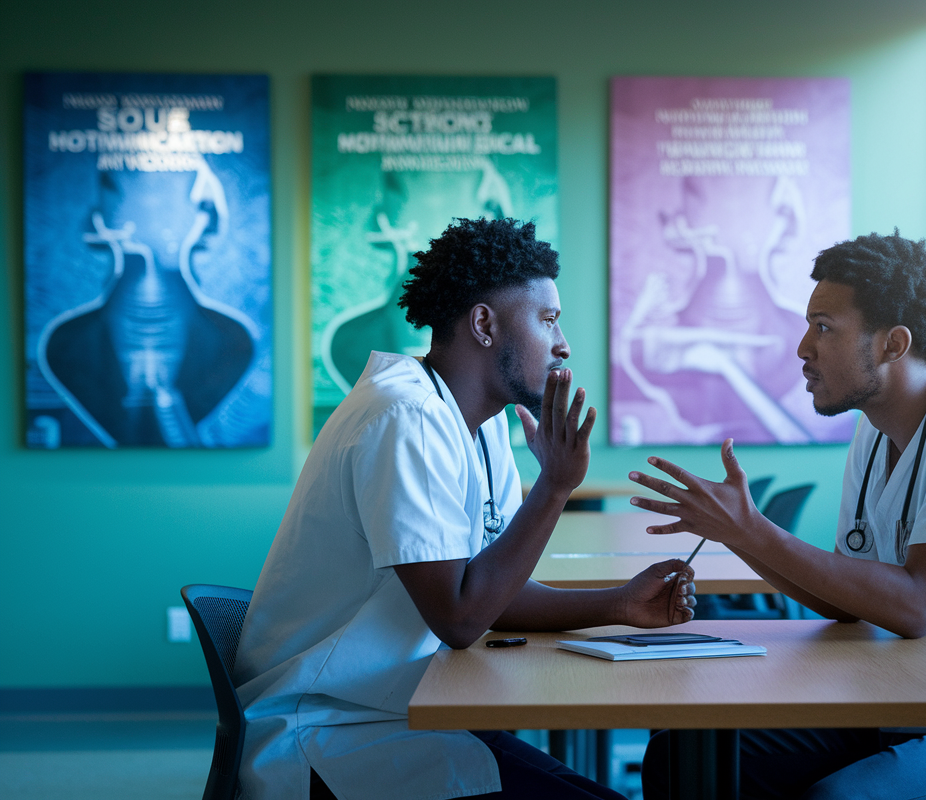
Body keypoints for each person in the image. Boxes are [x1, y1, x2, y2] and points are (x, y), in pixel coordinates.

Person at [629, 230, 926, 800]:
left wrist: (750, 527)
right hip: (908, 705)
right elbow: (843, 599)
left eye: (824, 327)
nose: (802, 347)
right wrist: (737, 534)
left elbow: (915, 605)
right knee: (681, 755)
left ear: (893, 344)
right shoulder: (875, 430)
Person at [233, 217, 696, 800]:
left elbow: (487, 590)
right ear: (484, 324)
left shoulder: (481, 425)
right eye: (548, 319)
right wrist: (555, 487)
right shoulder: (404, 417)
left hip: (406, 711)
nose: (564, 343)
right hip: (332, 732)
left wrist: (619, 603)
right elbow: (460, 619)